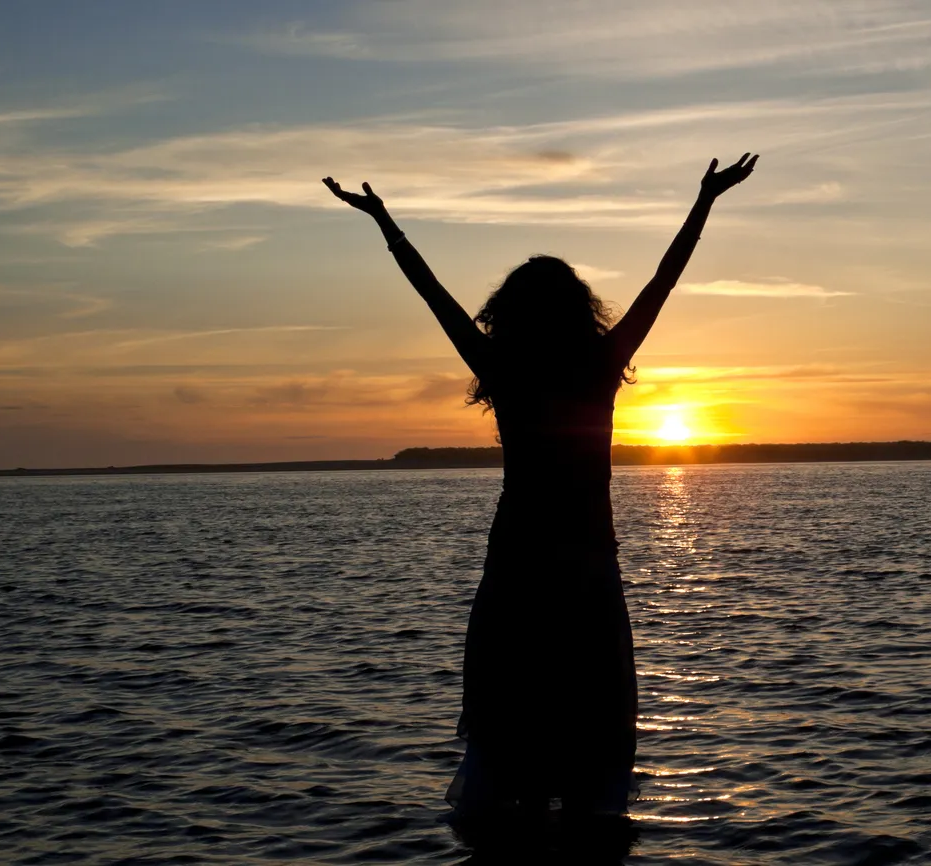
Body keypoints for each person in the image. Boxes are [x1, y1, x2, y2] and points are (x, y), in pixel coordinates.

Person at [322, 154, 758, 822]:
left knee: (511, 728)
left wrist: (384, 219)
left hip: (520, 565)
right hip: (584, 566)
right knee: (591, 726)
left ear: (512, 313)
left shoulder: (503, 365)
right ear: (578, 310)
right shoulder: (601, 363)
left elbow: (431, 293)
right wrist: (706, 200)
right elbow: (663, 281)